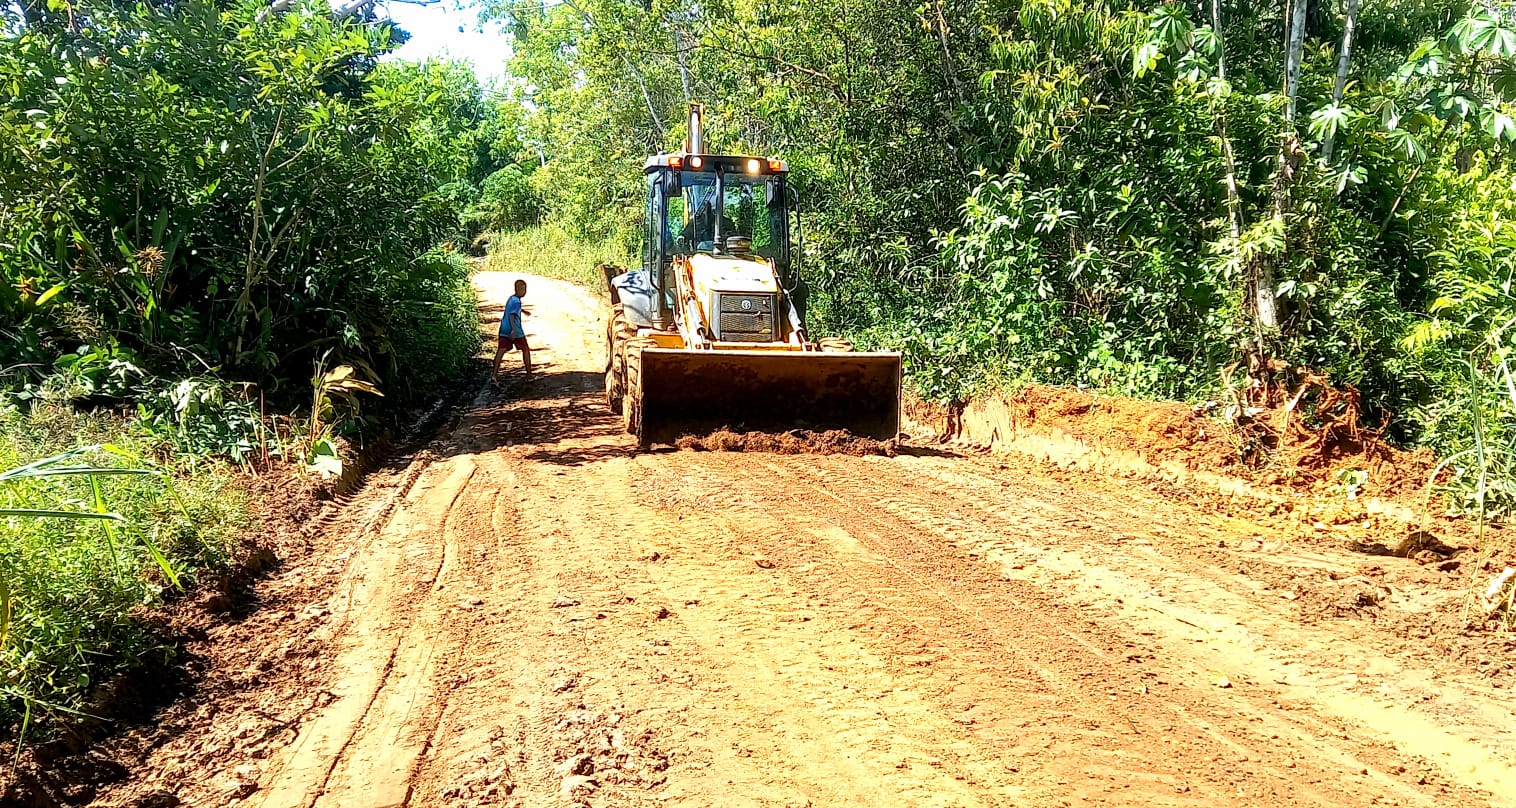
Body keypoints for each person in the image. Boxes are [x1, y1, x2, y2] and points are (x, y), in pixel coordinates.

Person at [492, 279, 532, 381]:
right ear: (517, 289)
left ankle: (494, 376)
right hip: (515, 330)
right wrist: (514, 330)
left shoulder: (512, 299)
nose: (524, 291)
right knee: (525, 349)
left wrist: (523, 311)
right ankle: (529, 375)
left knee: (500, 351)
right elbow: (511, 315)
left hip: (504, 329)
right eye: (522, 289)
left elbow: (512, 309)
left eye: (524, 289)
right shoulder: (517, 301)